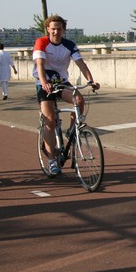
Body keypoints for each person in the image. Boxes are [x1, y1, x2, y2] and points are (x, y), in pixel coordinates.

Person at [33, 15, 100, 176]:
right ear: (48, 29)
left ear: (63, 30)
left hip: (62, 82)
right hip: (45, 84)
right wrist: (44, 82)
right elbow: (40, 65)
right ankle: (52, 160)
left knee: (79, 100)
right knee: (50, 121)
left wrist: (91, 81)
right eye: (53, 29)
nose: (56, 32)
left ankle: (71, 130)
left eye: (59, 29)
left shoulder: (69, 45)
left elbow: (81, 64)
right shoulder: (41, 42)